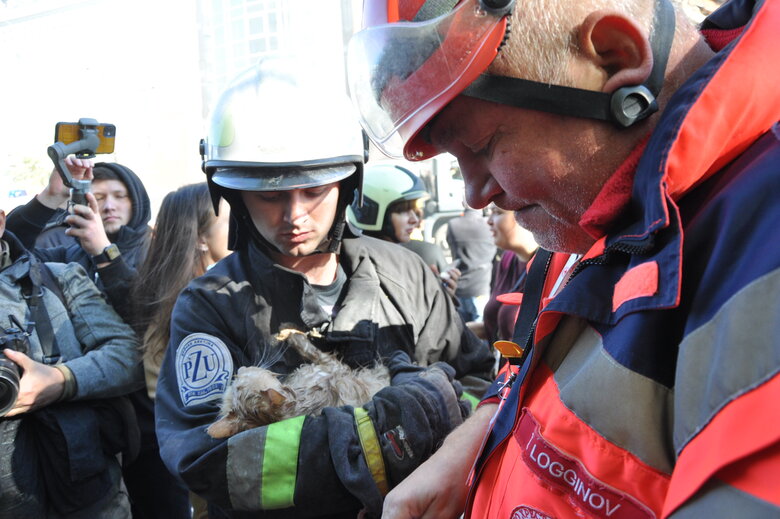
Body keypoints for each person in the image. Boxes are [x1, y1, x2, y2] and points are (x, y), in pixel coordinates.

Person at [347, 0, 780, 517]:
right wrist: (477, 438)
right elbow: (529, 370)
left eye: (482, 146)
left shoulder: (761, 244)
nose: (476, 195)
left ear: (614, 57)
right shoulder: (588, 217)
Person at [154, 59, 494, 519]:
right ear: (233, 195)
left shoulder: (406, 274)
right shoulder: (210, 304)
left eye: (313, 190)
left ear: (348, 183)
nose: (294, 215)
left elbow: (479, 386)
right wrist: (375, 442)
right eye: (270, 196)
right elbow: (205, 458)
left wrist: (443, 416)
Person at [0, 207, 143, 517]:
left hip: (87, 491)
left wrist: (60, 380)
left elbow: (129, 356)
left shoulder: (58, 277)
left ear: (0, 221)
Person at [129, 182, 231, 519]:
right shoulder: (190, 307)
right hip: (214, 464)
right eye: (231, 223)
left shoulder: (217, 288)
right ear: (200, 237)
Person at [6, 159, 152, 320]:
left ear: (137, 202)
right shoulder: (67, 259)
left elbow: (144, 317)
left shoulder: (159, 253)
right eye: (98, 197)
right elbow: (9, 253)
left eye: (119, 196)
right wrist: (51, 195)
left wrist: (104, 253)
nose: (110, 206)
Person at [348, 163, 461, 297]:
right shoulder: (424, 255)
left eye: (414, 210)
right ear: (370, 211)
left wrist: (444, 299)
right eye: (403, 211)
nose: (414, 219)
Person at [470, 204, 538, 347]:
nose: (488, 221)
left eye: (497, 212)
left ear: (525, 216)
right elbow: (496, 328)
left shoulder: (551, 265)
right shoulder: (507, 259)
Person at [445, 203, 496, 322]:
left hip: (459, 287)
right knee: (482, 333)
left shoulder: (453, 224)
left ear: (463, 204)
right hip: (481, 286)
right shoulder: (488, 225)